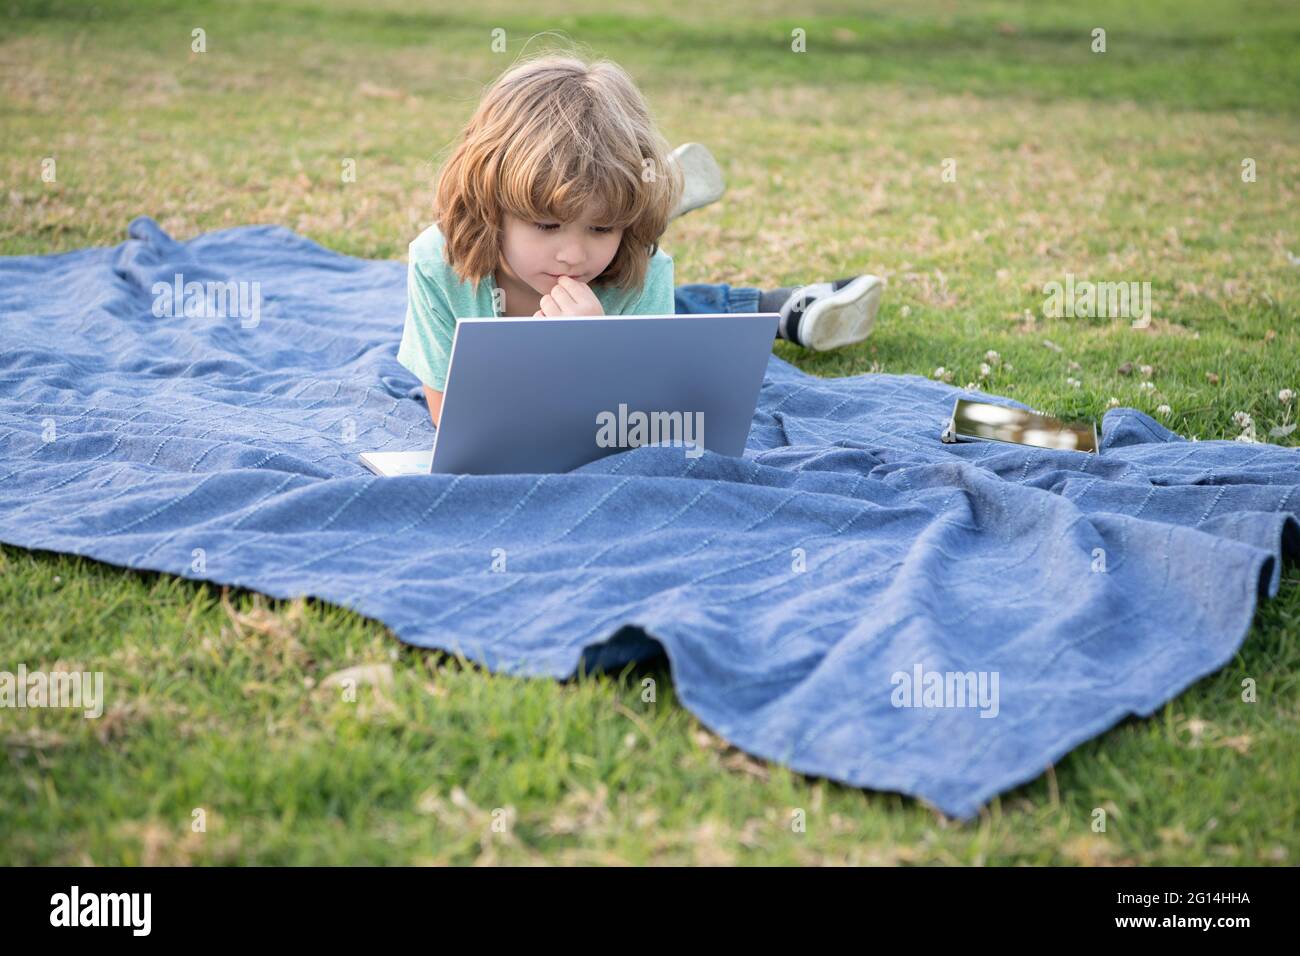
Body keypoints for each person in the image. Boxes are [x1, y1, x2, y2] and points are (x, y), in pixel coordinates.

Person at [397, 53, 884, 427]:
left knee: (653, 287)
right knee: (667, 303)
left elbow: (641, 421)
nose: (572, 256)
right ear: (488, 203)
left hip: (633, 262)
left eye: (602, 226)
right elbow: (452, 419)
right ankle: (649, 196)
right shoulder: (437, 262)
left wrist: (602, 348)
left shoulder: (640, 262)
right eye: (547, 225)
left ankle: (644, 198)